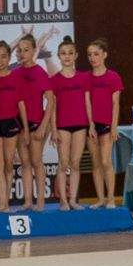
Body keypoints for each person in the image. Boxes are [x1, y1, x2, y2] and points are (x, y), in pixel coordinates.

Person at [48, 38, 91, 210]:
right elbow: (52, 107)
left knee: (75, 163)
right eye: (63, 53)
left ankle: (73, 199)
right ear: (59, 56)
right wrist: (53, 129)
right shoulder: (55, 80)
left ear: (76, 55)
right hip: (63, 126)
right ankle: (63, 201)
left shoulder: (83, 78)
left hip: (80, 124)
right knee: (63, 163)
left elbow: (88, 103)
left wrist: (91, 125)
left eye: (70, 53)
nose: (67, 57)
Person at [12, 33, 54, 209]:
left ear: (34, 50)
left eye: (26, 50)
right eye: (19, 50)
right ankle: (28, 200)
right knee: (25, 162)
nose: (22, 53)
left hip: (36, 122)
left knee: (36, 161)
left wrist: (44, 125)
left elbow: (51, 100)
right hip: (20, 125)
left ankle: (41, 201)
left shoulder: (39, 72)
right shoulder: (15, 73)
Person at [0, 40, 28, 209]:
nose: (0, 60)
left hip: (12, 123)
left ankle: (6, 201)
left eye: (4, 56)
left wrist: (25, 128)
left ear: (9, 57)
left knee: (9, 162)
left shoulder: (16, 77)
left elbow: (21, 104)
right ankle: (2, 203)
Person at [84, 38, 124, 206]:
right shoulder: (86, 78)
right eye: (90, 55)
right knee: (96, 162)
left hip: (107, 125)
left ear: (104, 55)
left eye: (96, 54)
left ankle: (111, 198)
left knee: (106, 161)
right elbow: (87, 102)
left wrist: (114, 126)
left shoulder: (113, 77)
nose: (93, 58)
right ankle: (100, 198)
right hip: (93, 125)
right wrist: (91, 124)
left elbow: (116, 104)